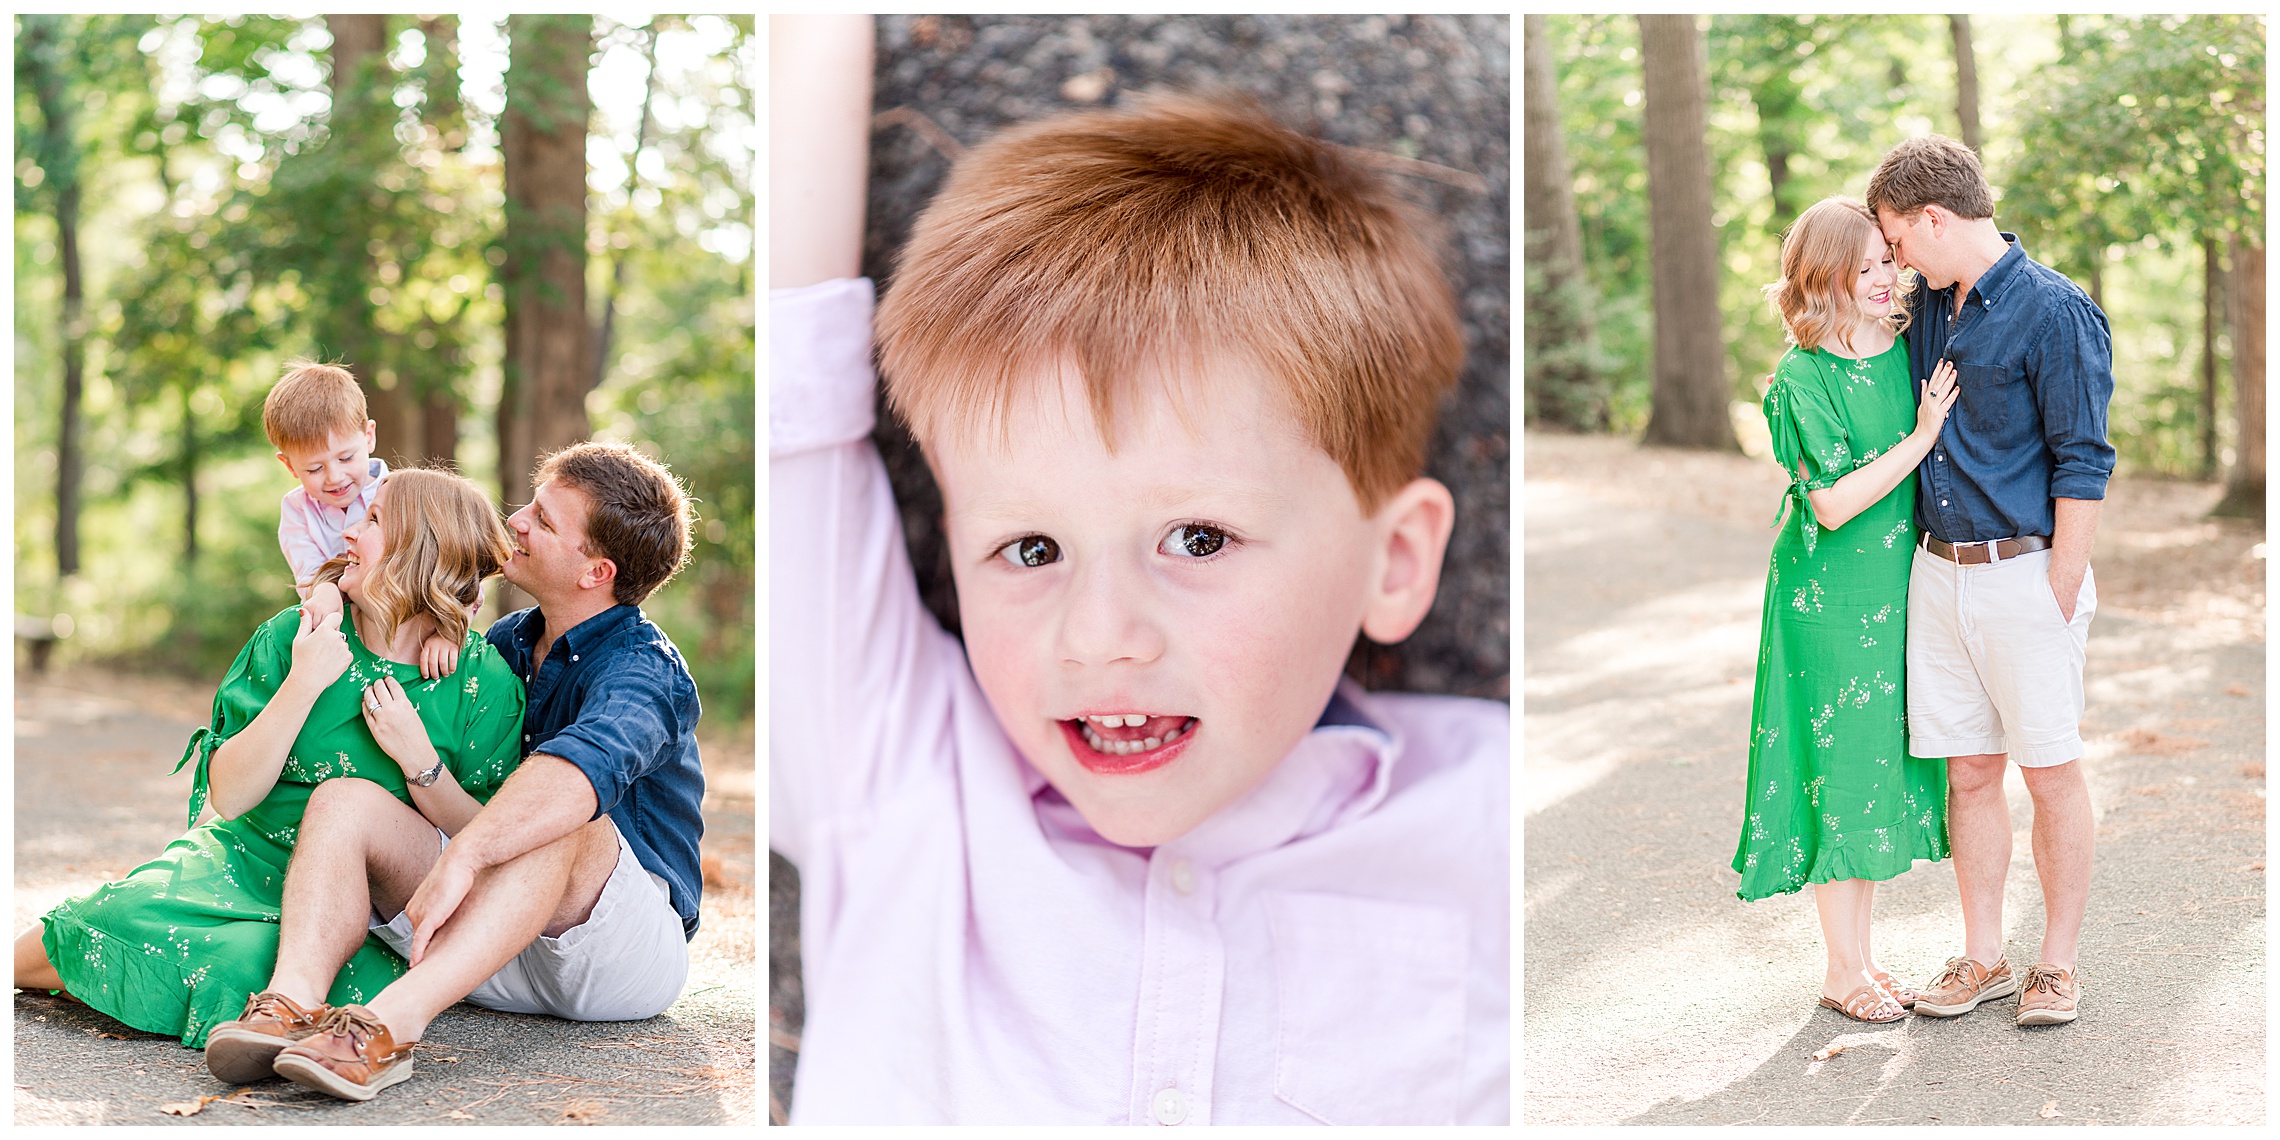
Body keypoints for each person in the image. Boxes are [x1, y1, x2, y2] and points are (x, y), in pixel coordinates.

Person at [769, 15, 1507, 1125]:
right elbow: (790, 387)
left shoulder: (1494, 813)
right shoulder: (898, 784)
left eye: (1197, 539)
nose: (1098, 634)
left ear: (1394, 562)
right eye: (1030, 549)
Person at [231, 441, 705, 1103]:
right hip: (488, 943)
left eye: (543, 520)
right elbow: (387, 585)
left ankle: (388, 1027)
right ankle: (290, 1004)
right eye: (529, 505)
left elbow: (578, 773)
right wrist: (372, 608)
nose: (515, 521)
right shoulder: (506, 642)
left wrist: (466, 855)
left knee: (564, 816)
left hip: (609, 954)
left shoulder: (646, 671)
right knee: (344, 799)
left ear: (596, 571)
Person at [12, 468, 526, 1059]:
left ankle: (271, 1022)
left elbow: (486, 841)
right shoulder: (294, 634)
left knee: (244, 963)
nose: (349, 532)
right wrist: (303, 682)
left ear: (421, 552)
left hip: (358, 908)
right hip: (242, 859)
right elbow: (230, 796)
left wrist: (419, 759)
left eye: (374, 520)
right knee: (119, 914)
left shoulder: (481, 682)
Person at [1868, 135, 2115, 1026]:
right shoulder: (1930, 308)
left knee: (2049, 771)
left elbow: (2083, 459)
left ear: (1935, 218)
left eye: (1898, 238)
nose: (1896, 258)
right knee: (1971, 773)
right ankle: (1984, 957)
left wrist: (2061, 585)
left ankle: (2056, 965)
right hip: (1939, 575)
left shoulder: (2056, 310)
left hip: (2027, 575)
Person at [1733, 197, 1960, 1023]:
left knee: (1872, 771)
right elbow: (1830, 504)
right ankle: (1839, 970)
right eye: (1861, 267)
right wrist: (1921, 437)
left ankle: (1862, 958)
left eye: (1885, 260)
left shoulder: (1906, 352)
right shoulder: (1803, 376)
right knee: (1838, 770)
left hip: (1895, 594)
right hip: (1826, 599)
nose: (1882, 278)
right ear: (1822, 278)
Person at [266, 360, 459, 679]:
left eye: (346, 457)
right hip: (343, 637)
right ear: (289, 466)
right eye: (314, 469)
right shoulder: (297, 510)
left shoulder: (401, 496)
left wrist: (448, 630)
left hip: (412, 637)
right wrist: (323, 591)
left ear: (369, 436)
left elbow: (453, 568)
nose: (334, 477)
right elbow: (310, 574)